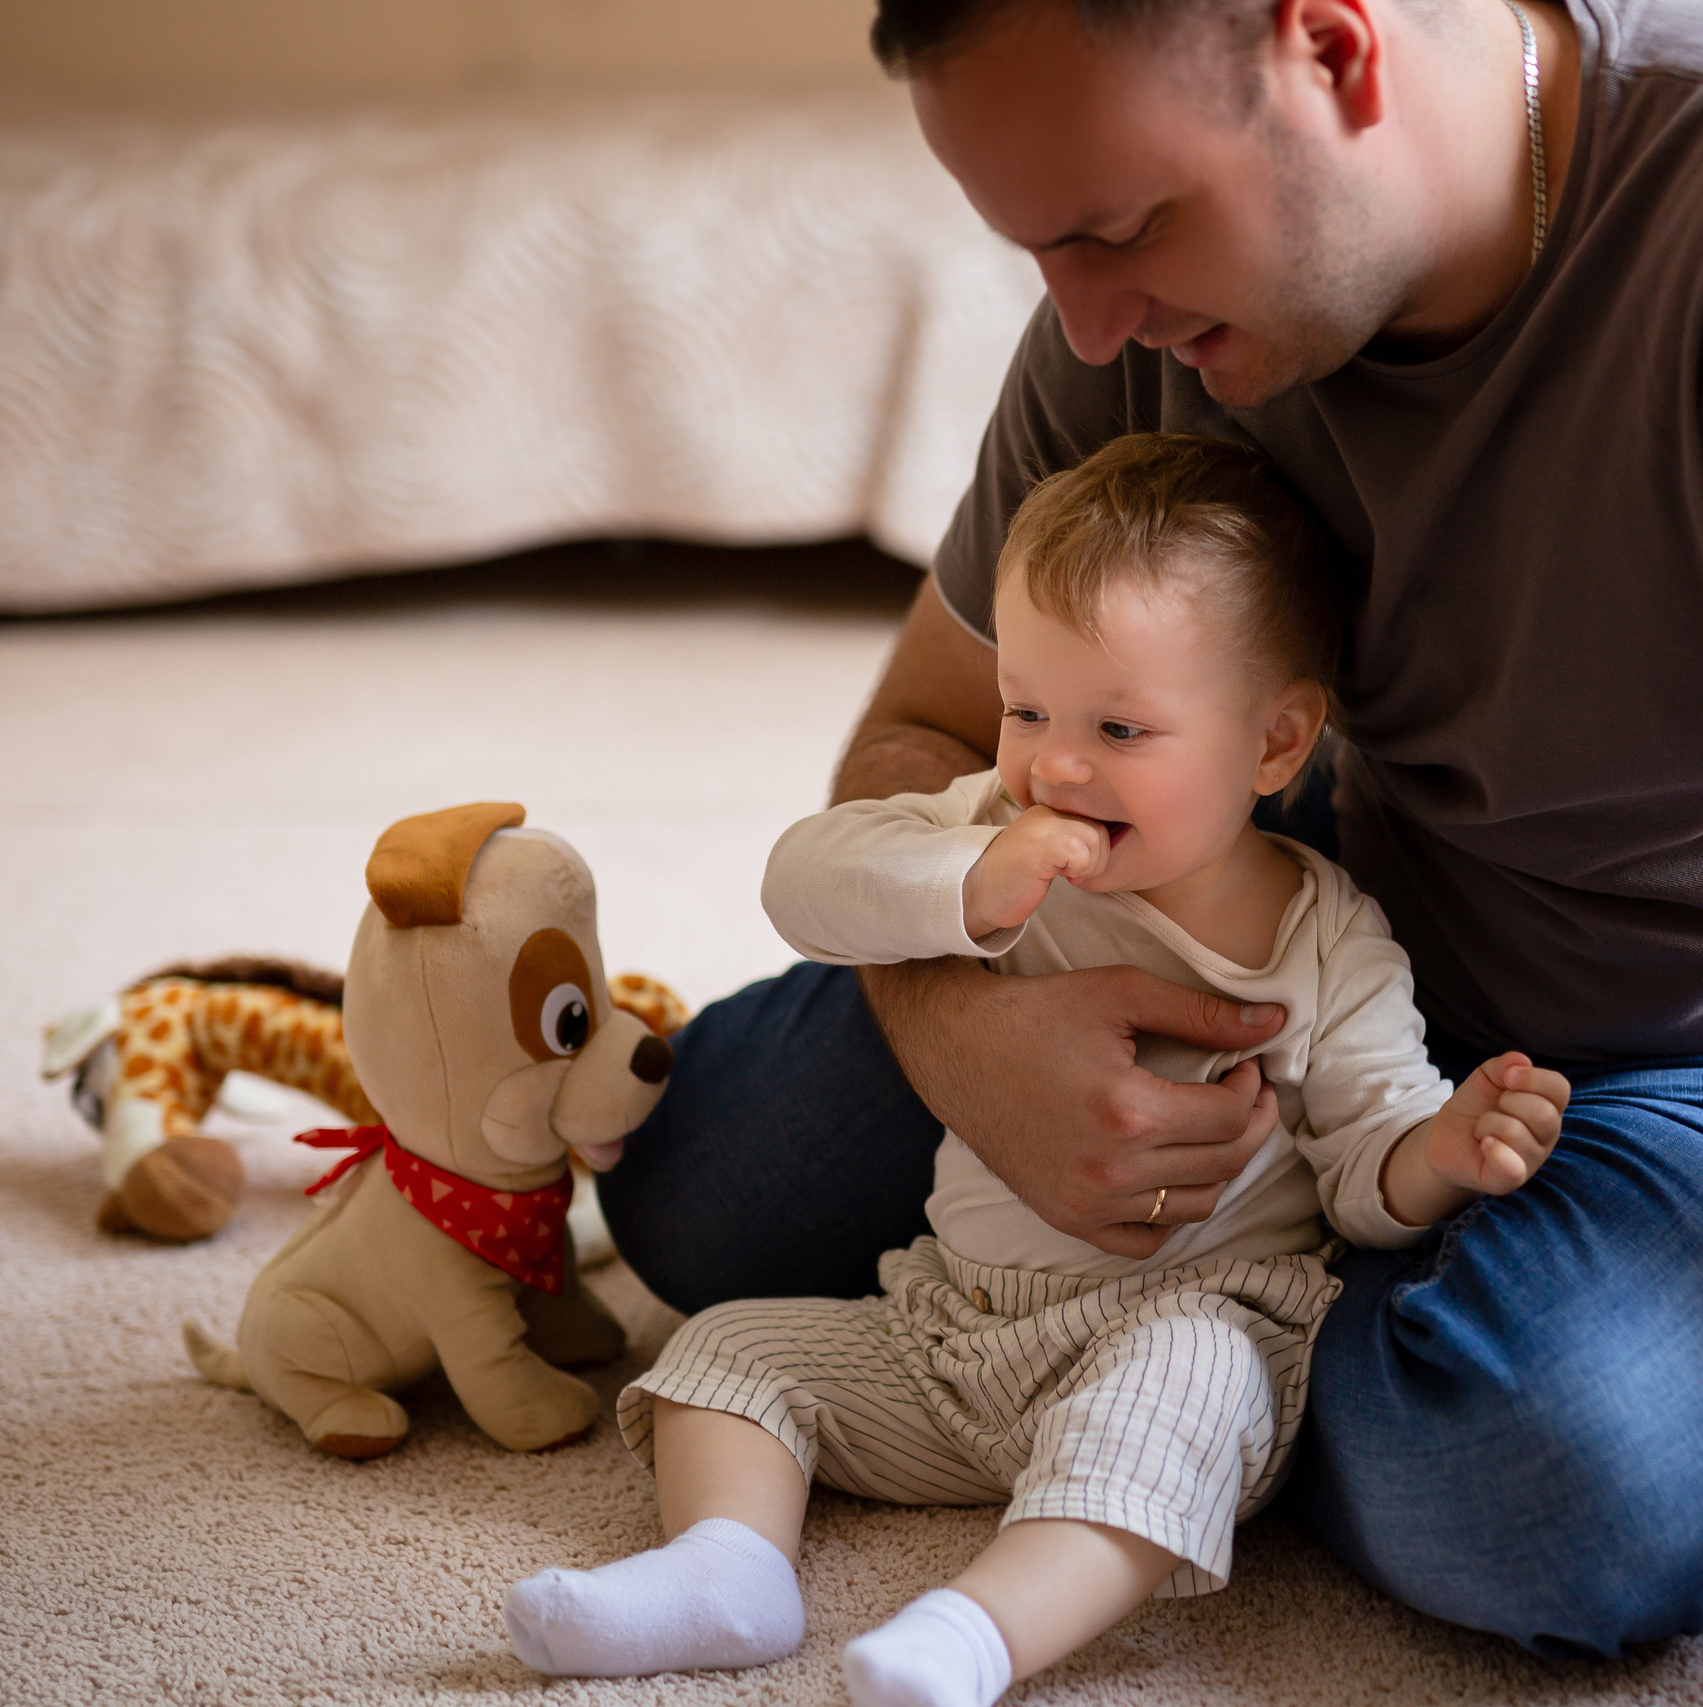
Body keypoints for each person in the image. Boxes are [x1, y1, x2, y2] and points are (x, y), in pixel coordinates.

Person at [601, 1, 1703, 1701]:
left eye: (1119, 229)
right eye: (1041, 248)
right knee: (696, 1175)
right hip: (1311, 952)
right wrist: (968, 1039)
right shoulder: (1136, 316)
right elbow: (910, 745)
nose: (1085, 318)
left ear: (1333, 50)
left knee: (1540, 1472)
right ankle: (1222, 1345)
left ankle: (1210, 1372)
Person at [504, 433, 1571, 1702]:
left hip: (1184, 1323)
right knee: (729, 1349)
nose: (1056, 764)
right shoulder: (991, 838)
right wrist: (963, 886)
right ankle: (727, 1568)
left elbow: (1359, 1172)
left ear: (1276, 745)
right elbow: (805, 880)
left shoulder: (1324, 940)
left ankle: (977, 1634)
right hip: (956, 1326)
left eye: (1120, 726)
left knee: (1187, 1394)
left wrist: (1438, 1153)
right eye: (1025, 710)